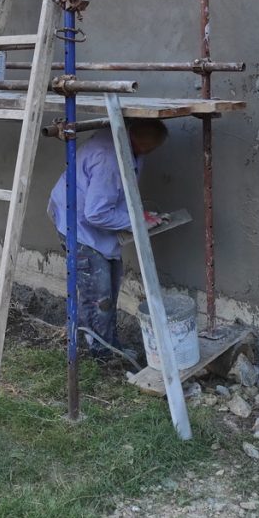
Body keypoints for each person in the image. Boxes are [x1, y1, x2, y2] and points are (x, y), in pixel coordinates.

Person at [47, 119, 168, 359]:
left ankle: (107, 344)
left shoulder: (123, 142)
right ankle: (100, 356)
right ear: (139, 143)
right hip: (79, 225)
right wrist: (136, 221)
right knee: (98, 295)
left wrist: (138, 214)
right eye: (148, 150)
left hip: (91, 218)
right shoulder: (109, 160)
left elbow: (116, 192)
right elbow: (96, 213)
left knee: (110, 282)